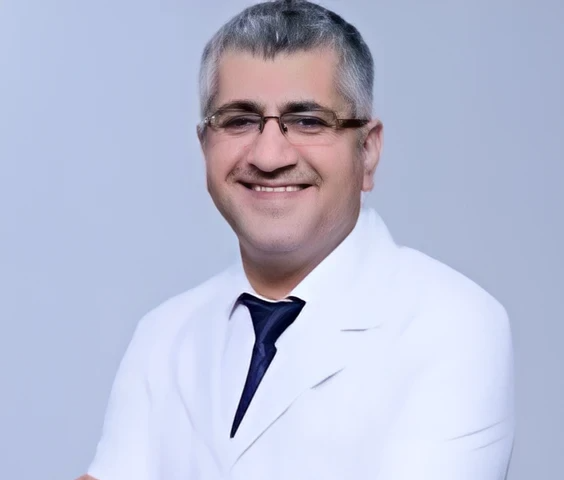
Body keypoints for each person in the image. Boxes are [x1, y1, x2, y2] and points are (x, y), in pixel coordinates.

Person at [78, 1, 514, 479]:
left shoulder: (454, 325)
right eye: (239, 120)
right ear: (205, 146)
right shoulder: (162, 334)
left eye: (308, 120)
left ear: (367, 152)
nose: (269, 156)